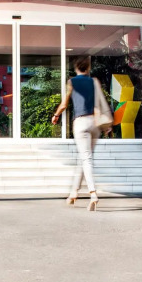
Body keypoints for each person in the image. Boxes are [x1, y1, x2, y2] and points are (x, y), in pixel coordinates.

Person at [52, 56, 103, 211]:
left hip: (81, 123)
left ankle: (93, 194)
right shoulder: (94, 81)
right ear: (88, 68)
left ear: (76, 68)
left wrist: (56, 115)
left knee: (86, 158)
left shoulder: (72, 82)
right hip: (95, 122)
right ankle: (73, 193)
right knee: (85, 157)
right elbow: (100, 103)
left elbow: (64, 104)